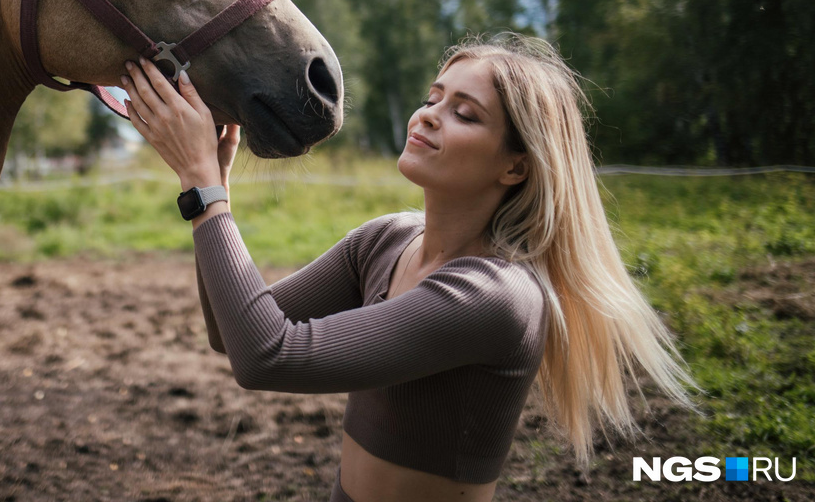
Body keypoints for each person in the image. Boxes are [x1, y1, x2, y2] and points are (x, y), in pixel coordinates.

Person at [119, 33, 698, 502]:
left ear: (516, 168)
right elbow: (230, 332)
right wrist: (210, 186)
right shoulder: (387, 240)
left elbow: (268, 356)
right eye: (433, 97)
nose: (428, 116)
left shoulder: (495, 297)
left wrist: (204, 192)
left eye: (464, 114)